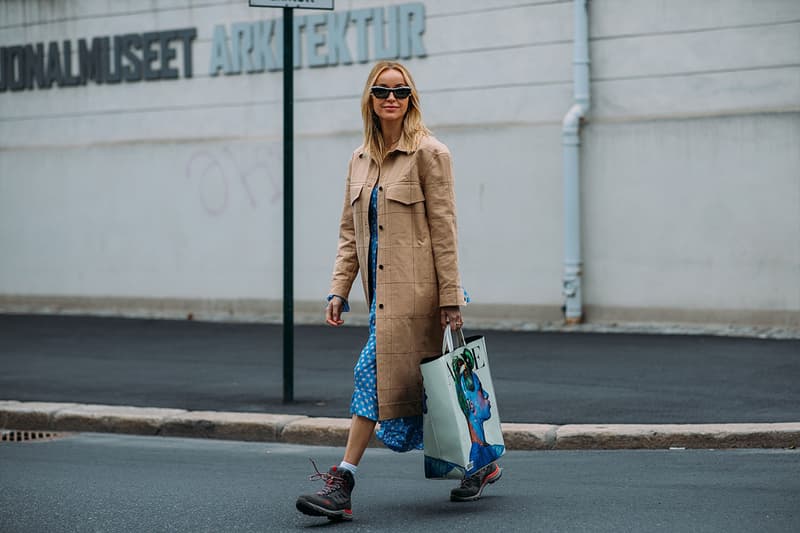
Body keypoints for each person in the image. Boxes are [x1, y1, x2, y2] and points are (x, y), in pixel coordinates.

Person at [294, 61, 502, 522]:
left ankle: (342, 482)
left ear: (412, 98)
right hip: (380, 300)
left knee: (372, 375)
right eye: (383, 91)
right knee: (425, 388)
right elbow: (350, 234)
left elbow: (445, 231)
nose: (392, 98)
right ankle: (483, 462)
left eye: (401, 91)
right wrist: (338, 290)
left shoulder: (431, 153)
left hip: (421, 300)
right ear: (369, 98)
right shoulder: (359, 159)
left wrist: (450, 299)